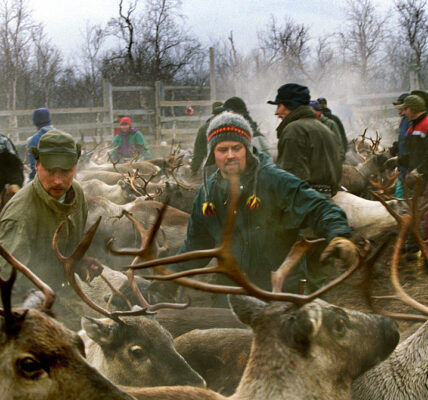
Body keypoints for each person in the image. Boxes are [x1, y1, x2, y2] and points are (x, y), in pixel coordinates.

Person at [172, 112, 355, 303]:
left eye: (237, 147)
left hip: (279, 296)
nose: (230, 155)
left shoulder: (275, 180)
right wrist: (170, 278)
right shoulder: (207, 194)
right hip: (232, 298)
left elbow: (319, 207)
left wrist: (339, 234)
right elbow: (195, 245)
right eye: (222, 149)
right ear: (212, 155)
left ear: (248, 149)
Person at [0, 130, 93, 329]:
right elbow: (10, 285)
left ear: (75, 167)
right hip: (33, 309)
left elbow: (69, 248)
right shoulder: (20, 217)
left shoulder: (76, 193)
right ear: (37, 166)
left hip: (66, 293)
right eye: (51, 171)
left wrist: (80, 261)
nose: (58, 181)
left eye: (65, 172)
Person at [269, 83, 342, 198]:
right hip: (326, 201)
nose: (276, 112)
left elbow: (291, 179)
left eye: (279, 106)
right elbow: (337, 169)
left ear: (290, 105)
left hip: (304, 204)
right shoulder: (326, 130)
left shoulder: (293, 131)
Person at [396, 95, 428, 244]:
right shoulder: (413, 125)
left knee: (423, 211)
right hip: (419, 177)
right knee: (417, 209)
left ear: (413, 109)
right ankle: (416, 242)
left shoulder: (426, 124)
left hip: (424, 176)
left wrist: (419, 170)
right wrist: (399, 159)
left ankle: (421, 244)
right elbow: (415, 153)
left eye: (406, 109)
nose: (404, 112)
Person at [190, 101, 223, 176]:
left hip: (212, 166)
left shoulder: (204, 128)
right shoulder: (233, 126)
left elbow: (198, 151)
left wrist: (194, 169)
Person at [389, 93, 410, 198]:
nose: (399, 110)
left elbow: (410, 144)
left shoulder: (409, 121)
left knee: (402, 196)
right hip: (403, 166)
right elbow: (404, 140)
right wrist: (396, 146)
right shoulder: (404, 121)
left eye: (401, 107)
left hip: (408, 167)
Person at [27, 108, 54, 181]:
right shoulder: (62, 136)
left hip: (44, 180)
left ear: (35, 122)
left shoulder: (34, 140)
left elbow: (34, 167)